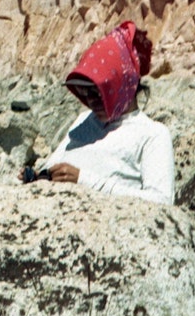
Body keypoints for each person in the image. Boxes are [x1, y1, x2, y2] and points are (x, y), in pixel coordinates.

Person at [19, 21, 174, 205]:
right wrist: (37, 176)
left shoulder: (152, 135)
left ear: (123, 84)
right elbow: (52, 167)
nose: (91, 99)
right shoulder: (83, 120)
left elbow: (162, 201)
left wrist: (84, 180)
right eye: (85, 92)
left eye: (98, 91)